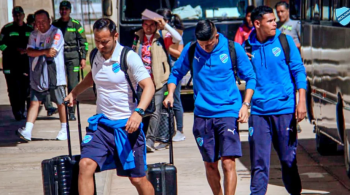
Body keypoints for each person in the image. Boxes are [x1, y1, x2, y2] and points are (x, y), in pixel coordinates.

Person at [164, 19, 256, 195]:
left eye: (209, 45)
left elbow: (251, 77)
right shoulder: (191, 50)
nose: (205, 49)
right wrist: (170, 94)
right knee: (210, 163)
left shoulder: (233, 49)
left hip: (228, 111)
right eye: (202, 45)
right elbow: (176, 73)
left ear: (216, 36)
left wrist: (245, 104)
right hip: (203, 115)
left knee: (228, 162)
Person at [64, 18, 155, 195]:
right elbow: (93, 76)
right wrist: (74, 92)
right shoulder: (95, 55)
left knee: (137, 179)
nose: (100, 45)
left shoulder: (128, 57)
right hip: (102, 127)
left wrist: (138, 112)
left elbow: (149, 86)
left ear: (115, 36)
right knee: (85, 164)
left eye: (105, 41)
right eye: (97, 41)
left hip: (127, 127)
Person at [242, 6, 306, 195]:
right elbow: (239, 75)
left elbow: (299, 71)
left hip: (284, 109)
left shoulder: (285, 41)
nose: (275, 22)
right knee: (259, 164)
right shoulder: (247, 46)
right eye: (269, 21)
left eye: (274, 19)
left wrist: (301, 100)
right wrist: (242, 64)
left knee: (288, 160)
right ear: (257, 24)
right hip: (259, 112)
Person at [133, 10, 182, 152]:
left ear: (156, 25)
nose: (148, 27)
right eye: (145, 24)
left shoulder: (162, 36)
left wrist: (165, 25)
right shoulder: (137, 37)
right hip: (142, 80)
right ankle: (140, 138)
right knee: (141, 109)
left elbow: (177, 38)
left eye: (151, 24)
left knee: (156, 110)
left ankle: (150, 140)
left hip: (159, 79)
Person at [16, 9, 67, 141]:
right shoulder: (33, 34)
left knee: (60, 102)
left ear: (49, 20)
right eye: (37, 22)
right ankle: (28, 130)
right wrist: (43, 51)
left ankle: (64, 129)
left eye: (43, 21)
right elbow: (30, 51)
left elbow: (52, 52)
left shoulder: (56, 33)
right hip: (38, 74)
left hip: (54, 73)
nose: (41, 24)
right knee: (34, 101)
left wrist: (39, 51)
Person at [53, 1, 88, 121]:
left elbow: (84, 42)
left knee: (73, 84)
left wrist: (83, 58)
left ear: (70, 10)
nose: (63, 11)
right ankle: (62, 108)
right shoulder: (55, 25)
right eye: (61, 9)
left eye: (66, 9)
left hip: (73, 57)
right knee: (59, 85)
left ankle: (72, 111)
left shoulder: (75, 25)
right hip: (59, 57)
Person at [156, 8, 186, 142]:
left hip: (175, 71)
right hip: (163, 71)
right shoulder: (159, 34)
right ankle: (166, 130)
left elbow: (180, 50)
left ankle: (180, 130)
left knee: (176, 99)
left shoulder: (173, 33)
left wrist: (169, 50)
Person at [0, 6, 33, 121]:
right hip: (10, 64)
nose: (18, 17)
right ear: (13, 16)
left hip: (25, 65)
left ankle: (25, 111)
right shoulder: (7, 29)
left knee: (25, 89)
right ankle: (17, 112)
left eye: (20, 15)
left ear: (24, 15)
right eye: (15, 15)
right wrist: (13, 51)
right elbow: (1, 45)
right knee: (13, 90)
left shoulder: (29, 29)